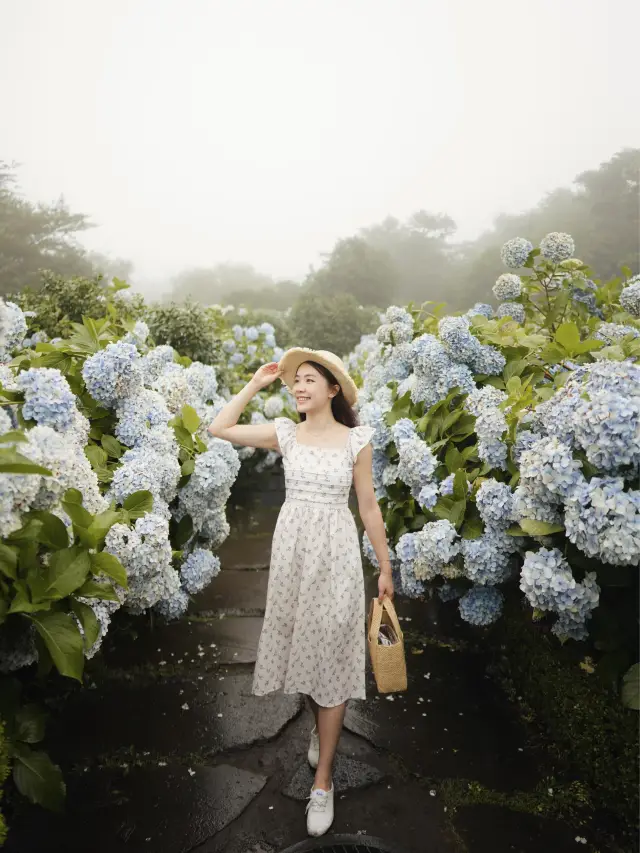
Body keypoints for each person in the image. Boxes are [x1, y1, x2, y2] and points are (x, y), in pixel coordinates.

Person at [208, 347, 394, 837]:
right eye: (296, 381)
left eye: (310, 379)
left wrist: (384, 563)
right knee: (307, 654)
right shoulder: (285, 434)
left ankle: (323, 781)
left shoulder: (357, 440)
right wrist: (253, 386)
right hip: (293, 562)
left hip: (335, 560)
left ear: (333, 389)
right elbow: (219, 428)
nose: (299, 387)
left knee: (333, 654)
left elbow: (369, 507)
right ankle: (321, 729)